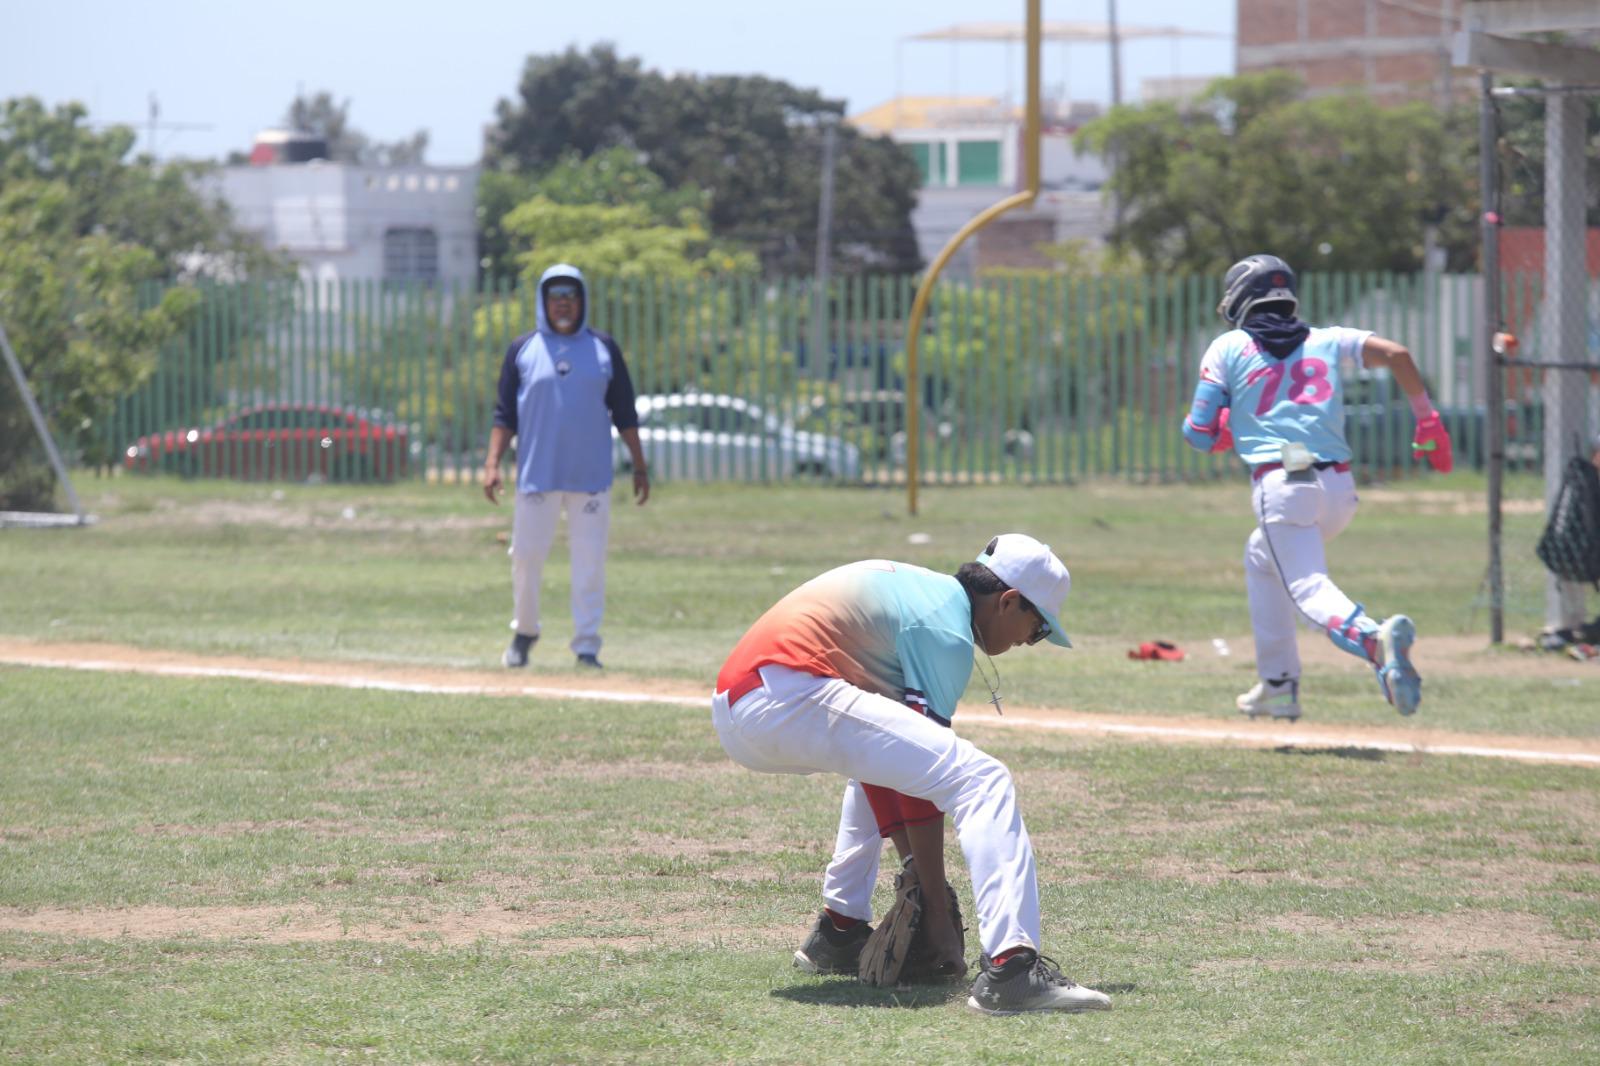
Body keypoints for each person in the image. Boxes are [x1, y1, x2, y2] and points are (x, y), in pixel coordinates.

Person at [711, 534, 1113, 1015]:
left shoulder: (927, 595)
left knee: (881, 755)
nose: (1032, 640)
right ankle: (1012, 968)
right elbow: (921, 786)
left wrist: (917, 877)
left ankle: (839, 931)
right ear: (1008, 601)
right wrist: (935, 907)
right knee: (983, 779)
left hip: (746, 703)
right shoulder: (946, 630)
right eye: (1040, 626)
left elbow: (898, 769)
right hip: (784, 697)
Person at [1181, 253, 1453, 721]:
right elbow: (1398, 355)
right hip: (1339, 489)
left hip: (1283, 486)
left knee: (1307, 586)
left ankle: (1372, 639)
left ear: (1241, 298)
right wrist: (1428, 419)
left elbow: (1198, 433)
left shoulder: (1228, 347)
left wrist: (1224, 425)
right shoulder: (1328, 339)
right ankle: (1278, 684)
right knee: (1261, 558)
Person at [483, 264, 649, 670]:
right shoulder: (523, 350)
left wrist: (640, 466)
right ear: (543, 302)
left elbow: (625, 412)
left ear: (582, 302)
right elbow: (505, 414)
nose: (563, 304)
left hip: (590, 477)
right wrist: (492, 463)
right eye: (555, 296)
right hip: (537, 474)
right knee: (525, 556)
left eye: (570, 297)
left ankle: (587, 646)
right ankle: (524, 632)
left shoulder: (603, 349)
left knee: (589, 562)